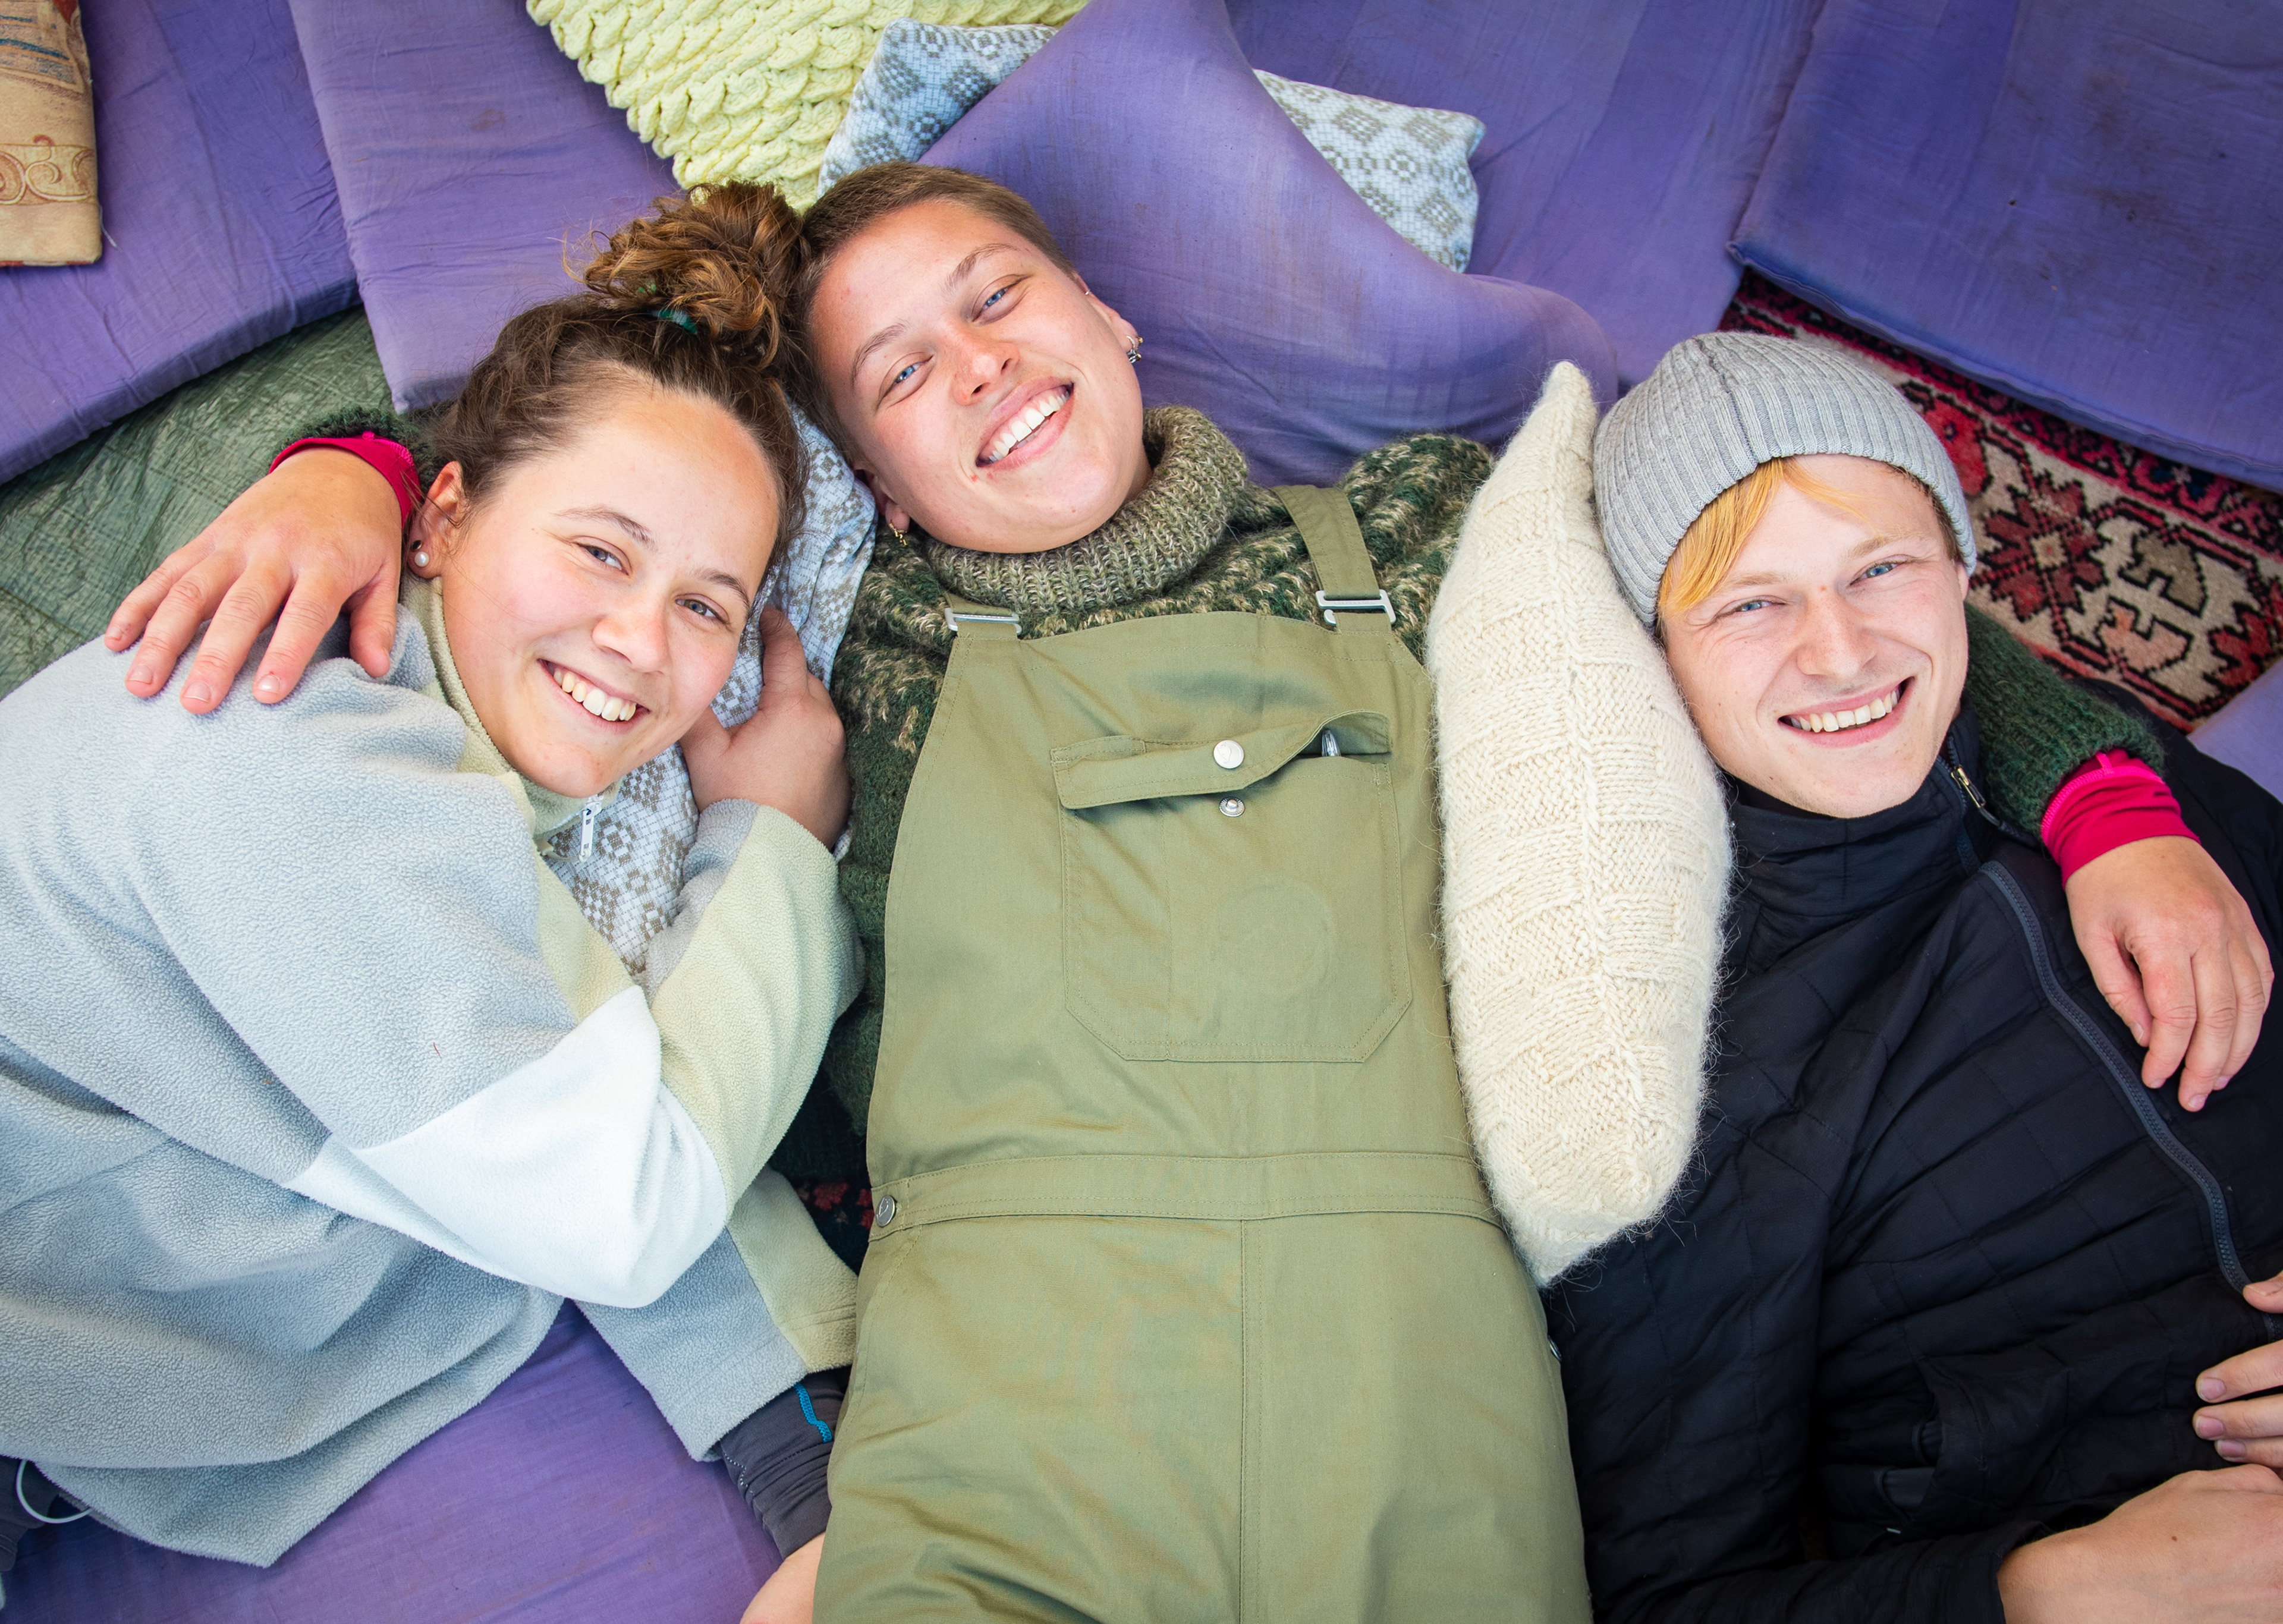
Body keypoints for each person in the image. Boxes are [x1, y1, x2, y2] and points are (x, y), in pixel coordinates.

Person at [105, 167, 2268, 1621]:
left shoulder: (1427, 524)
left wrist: (2112, 804)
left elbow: (1795, 571)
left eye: (999, 299)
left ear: (1110, 309)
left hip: (1426, 1384)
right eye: (901, 373)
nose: (981, 369)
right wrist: (358, 467)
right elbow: (572, 455)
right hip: (1004, 1387)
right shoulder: (826, 637)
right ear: (861, 477)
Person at [0, 189, 862, 1612]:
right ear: (443, 516)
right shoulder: (307, 765)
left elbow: (576, 1052)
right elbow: (628, 1199)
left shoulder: (443, 733)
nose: (641, 641)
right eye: (601, 551)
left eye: (708, 605)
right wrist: (773, 840)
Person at [1542, 332, 2283, 1623]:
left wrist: (2120, 806)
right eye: (1749, 604)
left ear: (1962, 573)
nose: (1840, 653)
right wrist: (2052, 1589)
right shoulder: (1682, 1074)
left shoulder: (2142, 790)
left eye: (1880, 568)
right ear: (1653, 659)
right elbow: (1669, 1595)